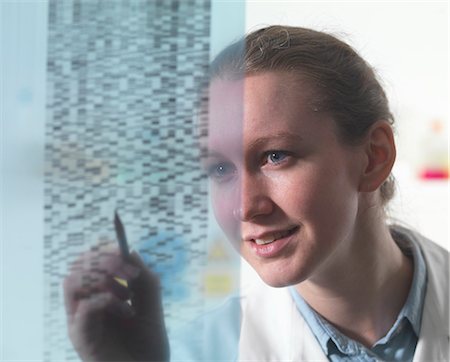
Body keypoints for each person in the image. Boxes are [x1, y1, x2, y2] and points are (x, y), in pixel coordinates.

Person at [64, 25, 449, 361]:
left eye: (275, 156)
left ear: (373, 158)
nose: (245, 207)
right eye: (219, 169)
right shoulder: (193, 353)